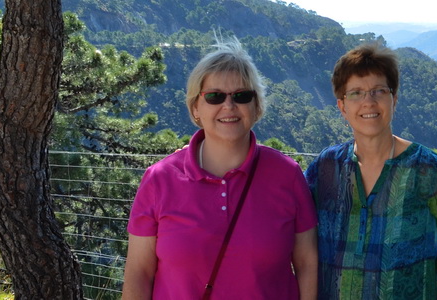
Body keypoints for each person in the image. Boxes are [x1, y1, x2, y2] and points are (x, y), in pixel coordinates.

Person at [122, 37, 318, 300]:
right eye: (214, 96)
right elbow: (139, 273)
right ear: (196, 107)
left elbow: (306, 265)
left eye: (242, 95)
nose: (229, 106)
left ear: (256, 106)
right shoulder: (159, 180)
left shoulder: (287, 175)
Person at [305, 43, 437, 299]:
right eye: (356, 93)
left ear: (394, 99)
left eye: (379, 91)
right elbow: (295, 229)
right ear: (342, 106)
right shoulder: (327, 166)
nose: (368, 102)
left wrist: (419, 274)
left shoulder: (426, 168)